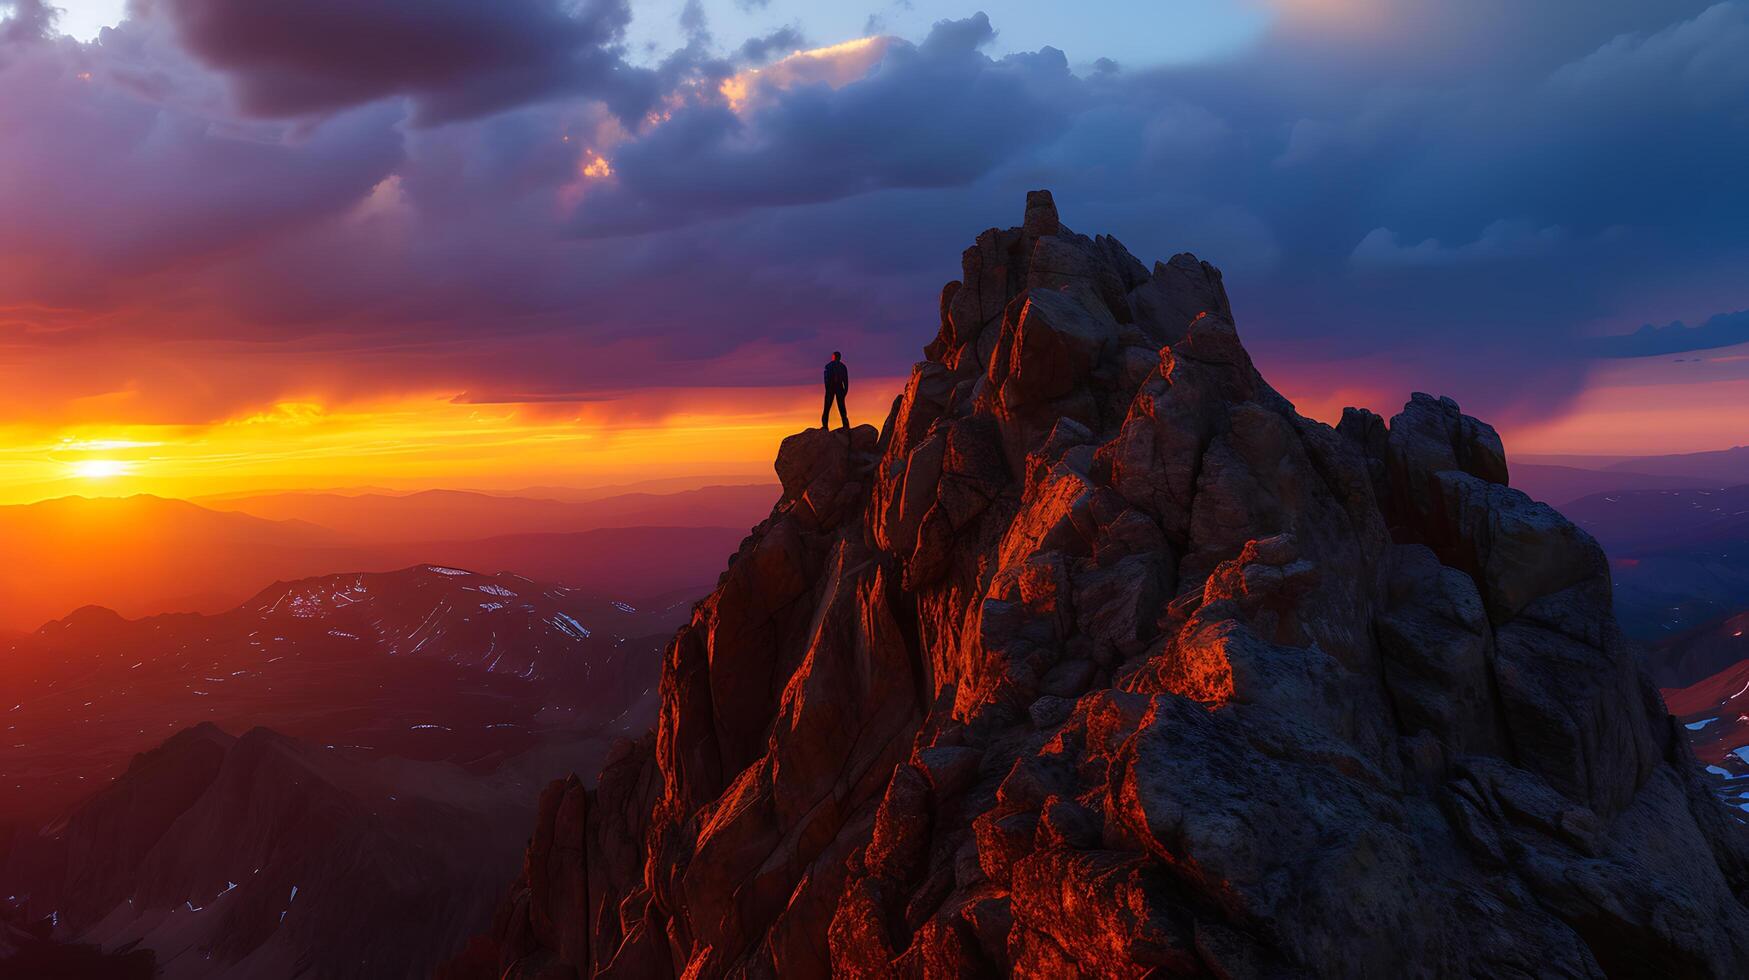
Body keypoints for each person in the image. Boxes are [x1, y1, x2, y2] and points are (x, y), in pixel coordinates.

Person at [822, 351, 849, 430]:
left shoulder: (831, 366)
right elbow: (846, 381)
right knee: (830, 408)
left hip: (835, 388)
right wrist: (845, 390)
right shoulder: (839, 366)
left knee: (839, 408)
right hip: (833, 388)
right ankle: (825, 426)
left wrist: (845, 391)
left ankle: (826, 426)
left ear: (834, 357)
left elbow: (845, 380)